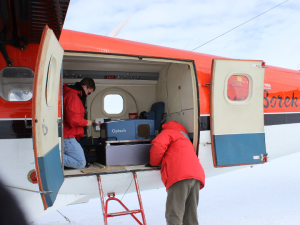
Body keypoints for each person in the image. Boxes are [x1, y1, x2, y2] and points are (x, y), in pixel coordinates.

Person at [150, 120, 205, 225]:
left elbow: (158, 146)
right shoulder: (184, 136)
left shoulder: (168, 132)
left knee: (174, 215)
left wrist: (153, 163)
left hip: (180, 177)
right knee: (191, 216)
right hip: (196, 176)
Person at [63, 77, 95, 169]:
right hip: (68, 136)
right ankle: (52, 158)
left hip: (67, 135)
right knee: (80, 163)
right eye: (88, 92)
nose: (88, 95)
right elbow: (73, 119)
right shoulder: (73, 96)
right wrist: (86, 122)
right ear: (84, 87)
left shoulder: (70, 94)